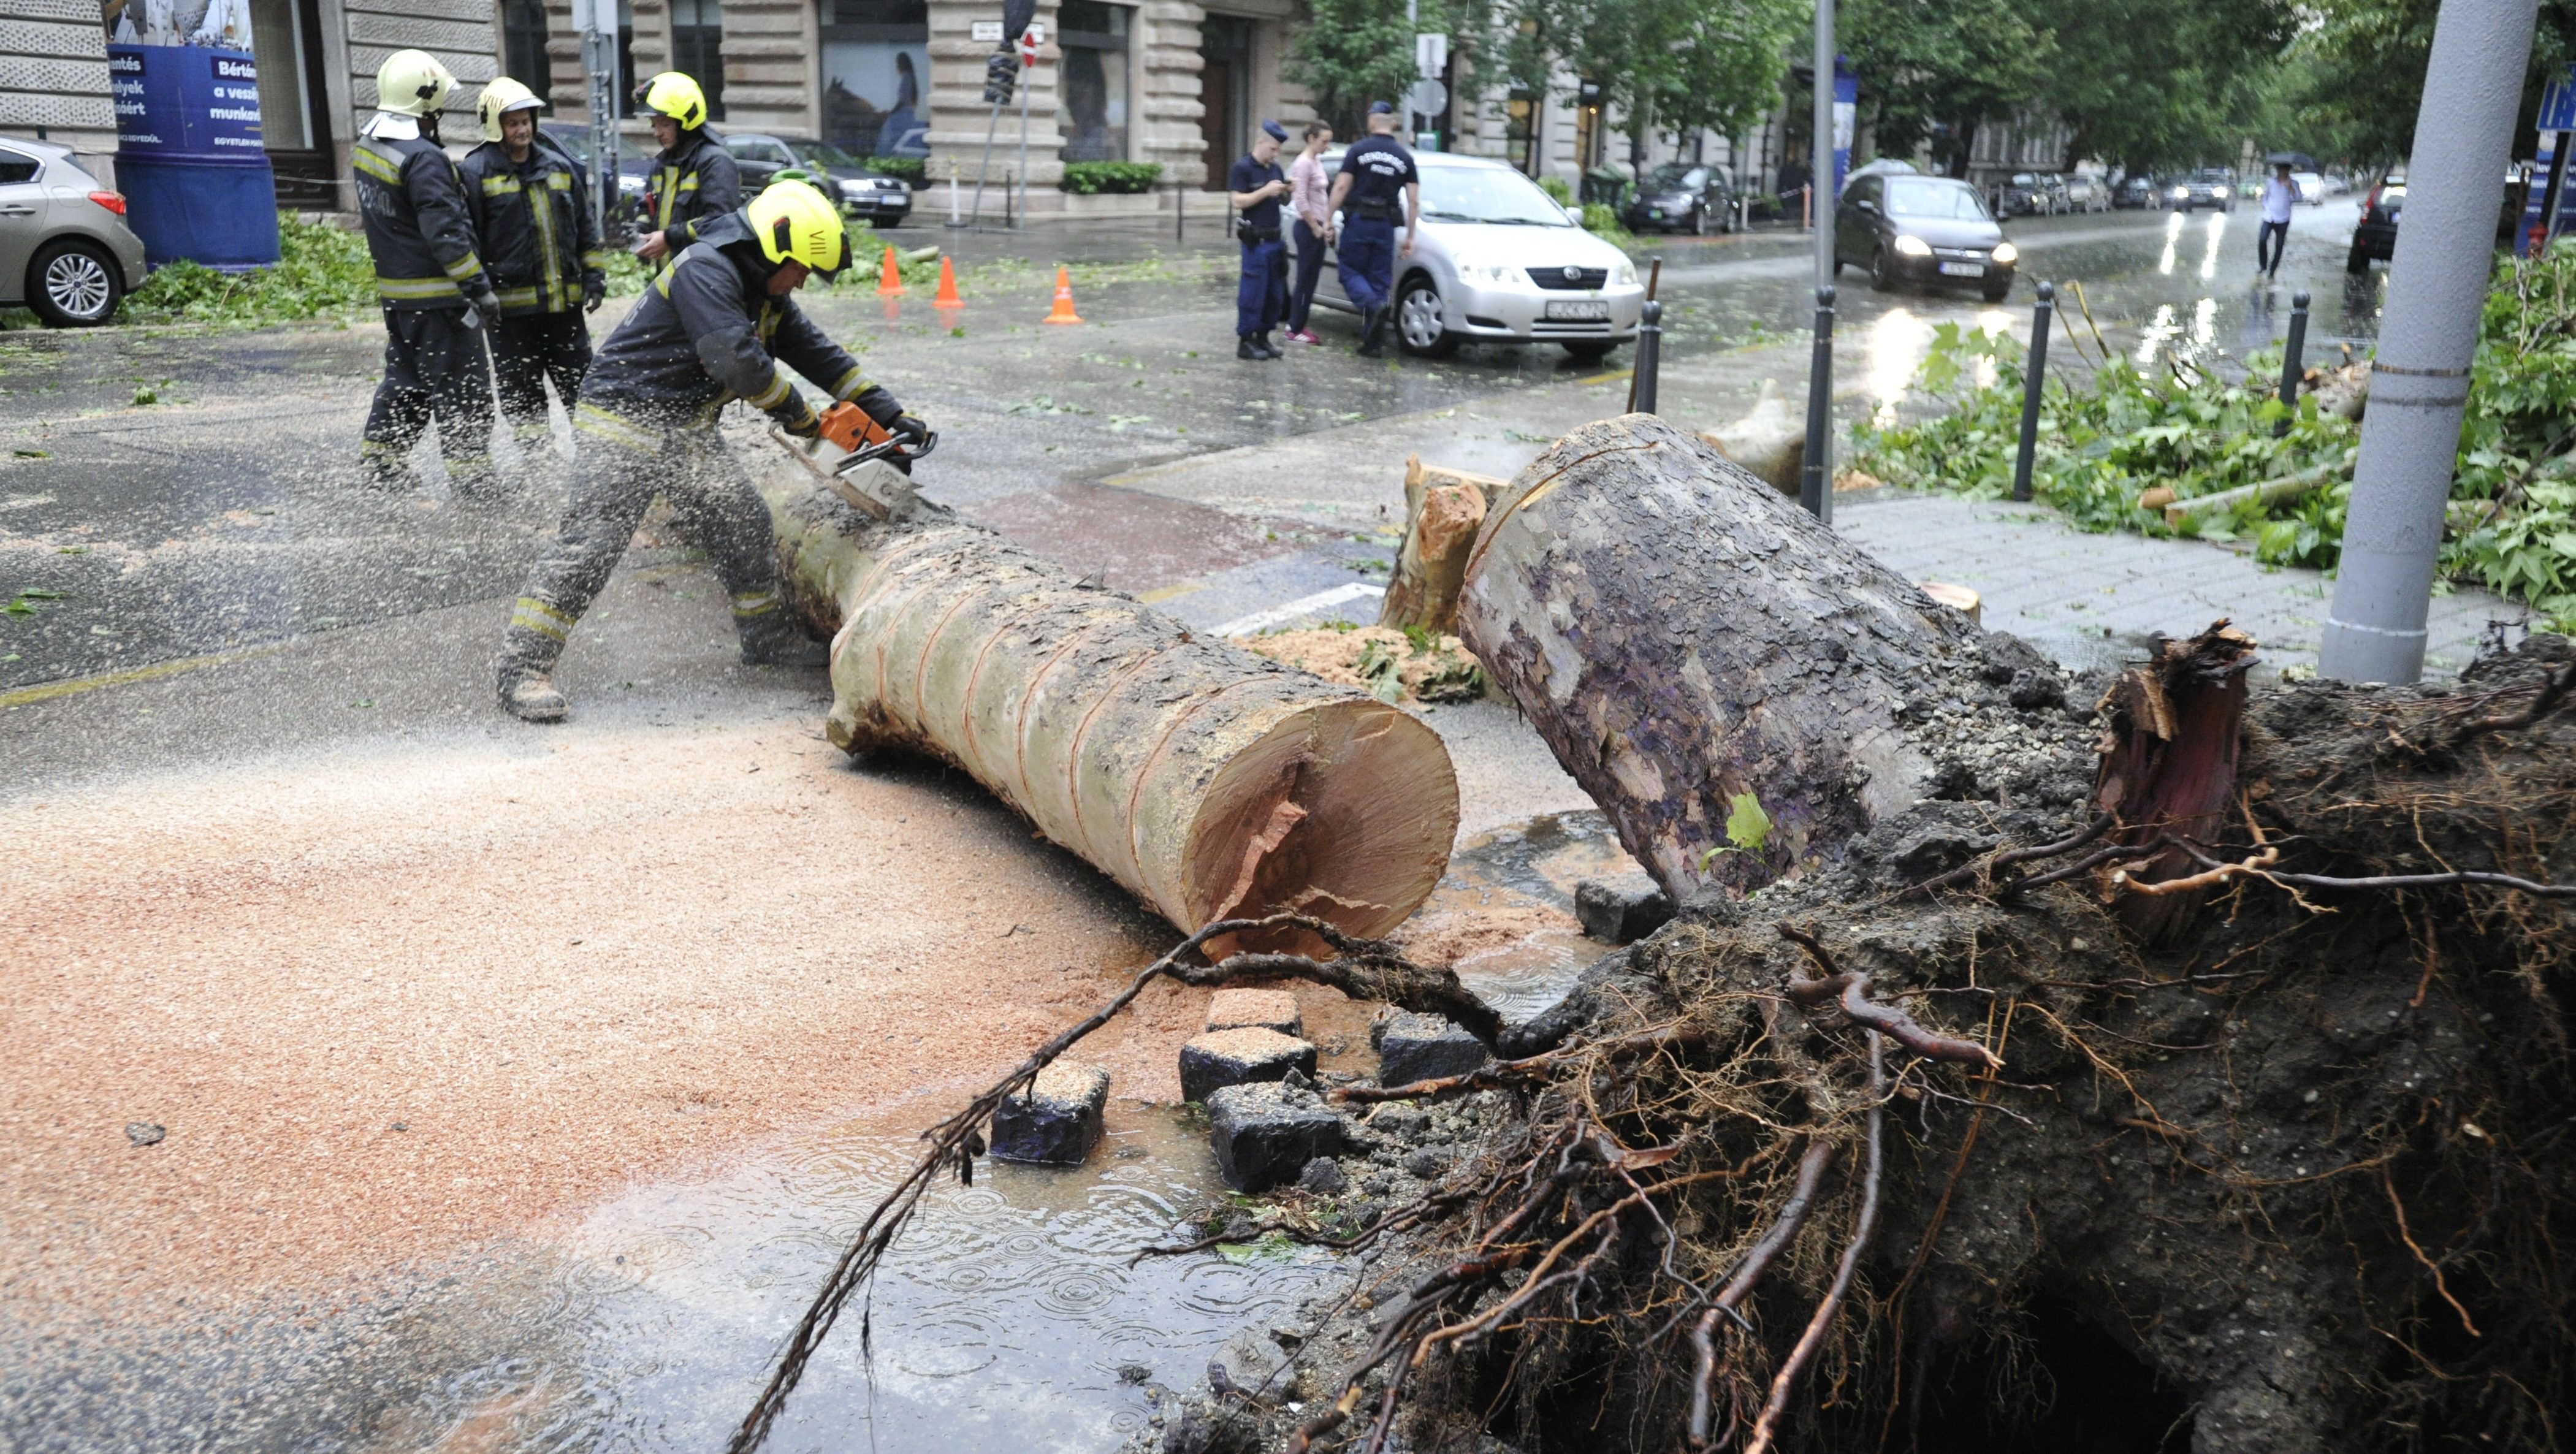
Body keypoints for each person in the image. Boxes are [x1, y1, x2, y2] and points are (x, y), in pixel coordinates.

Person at [493, 180, 928, 723]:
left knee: (742, 520)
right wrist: (801, 417)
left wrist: (890, 414)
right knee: (593, 544)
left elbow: (821, 355)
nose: (802, 281)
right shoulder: (706, 270)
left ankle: (764, 639)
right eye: (801, 269)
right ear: (775, 249)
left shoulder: (766, 294)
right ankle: (523, 670)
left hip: (686, 428)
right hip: (625, 420)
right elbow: (736, 361)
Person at [352, 49, 501, 493]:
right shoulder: (424, 159)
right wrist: (478, 288)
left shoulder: (370, 146)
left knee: (407, 381)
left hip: (398, 299)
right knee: (464, 391)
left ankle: (383, 463)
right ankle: (474, 482)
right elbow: (447, 236)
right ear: (426, 105)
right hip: (440, 302)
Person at [460, 77, 609, 472]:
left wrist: (594, 276)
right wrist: (477, 291)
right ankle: (540, 463)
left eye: (526, 121)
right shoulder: (475, 173)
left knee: (582, 387)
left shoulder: (558, 167)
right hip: (510, 317)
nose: (522, 130)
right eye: (513, 123)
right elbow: (467, 240)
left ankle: (595, 464)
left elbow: (584, 228)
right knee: (521, 395)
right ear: (495, 126)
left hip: (564, 311)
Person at [1326, 101, 1420, 358]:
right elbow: (1413, 201)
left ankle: (1373, 307)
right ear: (1393, 124)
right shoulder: (1404, 157)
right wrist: (1410, 236)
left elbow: (1342, 187)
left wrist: (1327, 217)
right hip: (1385, 226)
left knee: (1350, 272)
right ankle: (1373, 344)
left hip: (1359, 222)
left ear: (1371, 121)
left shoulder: (1358, 150)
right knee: (1378, 281)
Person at [633, 72, 742, 276]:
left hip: (705, 279)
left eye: (665, 124)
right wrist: (641, 231)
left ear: (687, 121)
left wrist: (668, 238)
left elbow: (722, 222)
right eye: (654, 124)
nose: (657, 133)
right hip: (668, 279)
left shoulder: (715, 162)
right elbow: (646, 206)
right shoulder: (661, 164)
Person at [1229, 119, 1291, 360]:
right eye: (1273, 149)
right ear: (1261, 141)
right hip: (1256, 242)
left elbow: (1281, 202)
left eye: (1278, 151)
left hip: (1275, 240)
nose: (1275, 155)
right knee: (1253, 292)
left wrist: (1286, 191)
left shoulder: (1275, 170)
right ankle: (1246, 341)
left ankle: (1264, 338)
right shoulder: (1243, 168)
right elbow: (1237, 201)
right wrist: (1265, 191)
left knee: (1274, 294)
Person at [1284, 120, 1335, 346]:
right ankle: (1295, 327)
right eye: (1324, 141)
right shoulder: (1304, 163)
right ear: (1311, 139)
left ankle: (1298, 323)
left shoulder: (1315, 161)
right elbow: (1301, 198)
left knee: (1310, 278)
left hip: (1317, 226)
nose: (1327, 146)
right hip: (1308, 228)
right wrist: (1315, 227)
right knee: (1305, 278)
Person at [2258, 161, 2296, 280]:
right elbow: (2265, 197)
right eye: (2280, 170)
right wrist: (2266, 206)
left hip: (2283, 219)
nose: (2282, 173)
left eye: (2285, 171)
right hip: (2269, 217)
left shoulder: (2293, 183)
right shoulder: (2271, 182)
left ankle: (2272, 270)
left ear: (2288, 172)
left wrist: (2290, 189)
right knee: (2262, 240)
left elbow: (2298, 198)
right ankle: (2263, 266)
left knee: (2279, 245)